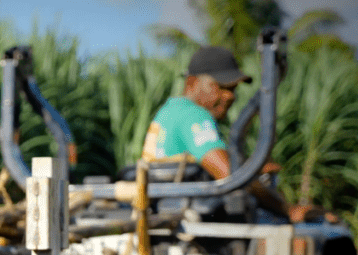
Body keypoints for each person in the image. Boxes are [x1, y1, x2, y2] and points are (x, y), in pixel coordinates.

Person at [141, 45, 334, 223]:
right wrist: (287, 209)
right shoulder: (194, 115)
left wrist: (254, 168)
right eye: (221, 87)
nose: (230, 96)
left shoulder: (170, 110)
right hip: (182, 211)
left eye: (233, 89)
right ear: (192, 83)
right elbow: (230, 176)